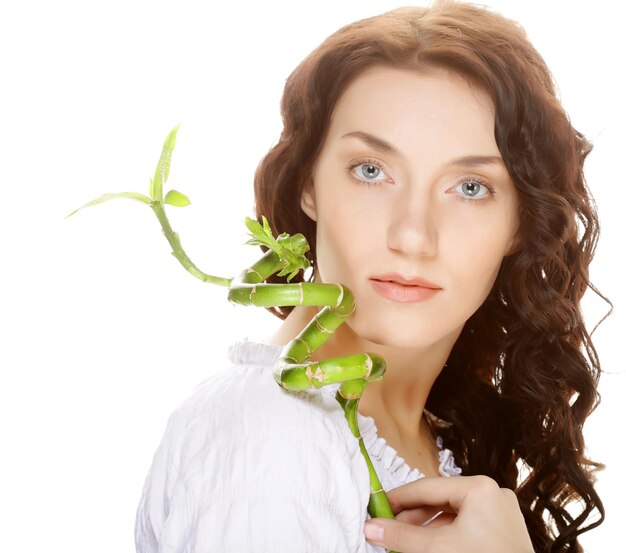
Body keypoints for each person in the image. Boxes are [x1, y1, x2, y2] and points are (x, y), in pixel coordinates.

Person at [135, 1, 606, 552]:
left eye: (471, 187)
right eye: (372, 171)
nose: (413, 236)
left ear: (521, 224)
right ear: (308, 184)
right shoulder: (271, 440)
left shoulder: (434, 433)